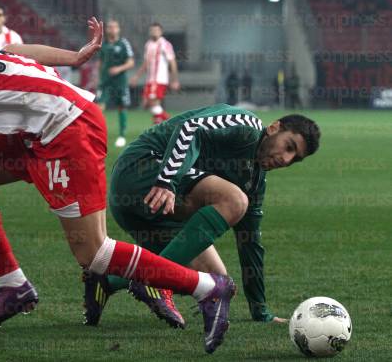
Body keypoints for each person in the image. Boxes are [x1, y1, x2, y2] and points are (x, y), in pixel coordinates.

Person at [0, 18, 235, 354]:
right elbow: (15, 50)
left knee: (93, 252)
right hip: (40, 126)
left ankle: (207, 288)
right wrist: (74, 57)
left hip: (67, 128)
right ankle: (13, 286)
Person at [83, 104, 320, 328]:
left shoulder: (255, 181)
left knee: (217, 282)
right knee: (234, 200)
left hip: (155, 212)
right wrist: (167, 180)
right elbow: (190, 128)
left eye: (295, 158)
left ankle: (107, 281)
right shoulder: (245, 126)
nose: (286, 160)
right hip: (142, 170)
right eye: (289, 147)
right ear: (274, 127)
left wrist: (261, 312)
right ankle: (155, 283)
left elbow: (250, 243)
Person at [130, 22, 179, 125]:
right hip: (150, 79)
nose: (154, 32)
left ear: (161, 32)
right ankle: (162, 123)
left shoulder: (165, 44)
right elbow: (146, 63)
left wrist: (174, 80)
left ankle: (171, 123)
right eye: (152, 30)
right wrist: (136, 76)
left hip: (160, 79)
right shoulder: (148, 44)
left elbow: (172, 62)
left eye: (156, 30)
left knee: (152, 103)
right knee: (147, 104)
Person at [96, 19, 134, 147]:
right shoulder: (103, 44)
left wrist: (118, 69)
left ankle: (122, 136)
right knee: (98, 108)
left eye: (114, 27)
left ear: (118, 29)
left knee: (121, 107)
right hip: (105, 82)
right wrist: (98, 77)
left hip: (120, 82)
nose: (112, 29)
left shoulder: (123, 44)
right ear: (106, 30)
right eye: (109, 27)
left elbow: (131, 62)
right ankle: (98, 136)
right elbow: (100, 62)